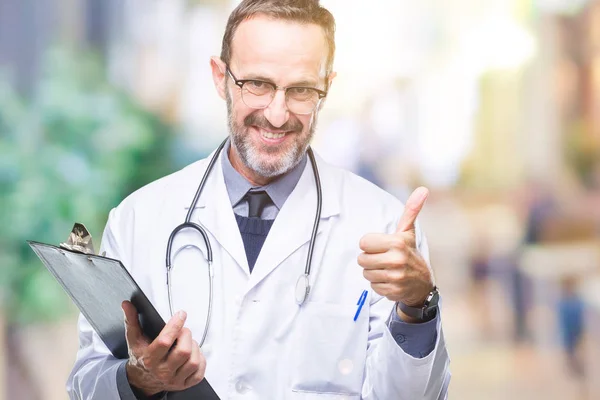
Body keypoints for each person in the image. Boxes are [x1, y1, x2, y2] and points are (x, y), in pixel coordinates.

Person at [67, 1, 451, 398]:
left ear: (326, 88)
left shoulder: (384, 227)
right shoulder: (139, 219)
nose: (278, 114)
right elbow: (84, 385)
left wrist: (416, 308)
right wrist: (140, 379)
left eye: (301, 90)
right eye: (258, 84)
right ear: (220, 78)